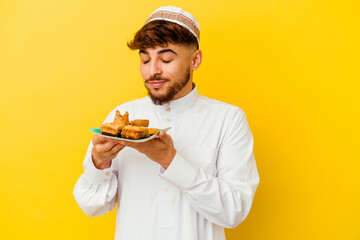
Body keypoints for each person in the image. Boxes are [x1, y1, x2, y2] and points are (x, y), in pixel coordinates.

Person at [73, 6, 259, 240]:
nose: (153, 71)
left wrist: (170, 160)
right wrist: (99, 163)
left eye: (166, 59)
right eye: (145, 59)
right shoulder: (121, 116)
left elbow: (235, 210)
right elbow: (92, 206)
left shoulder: (228, 119)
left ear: (195, 60)